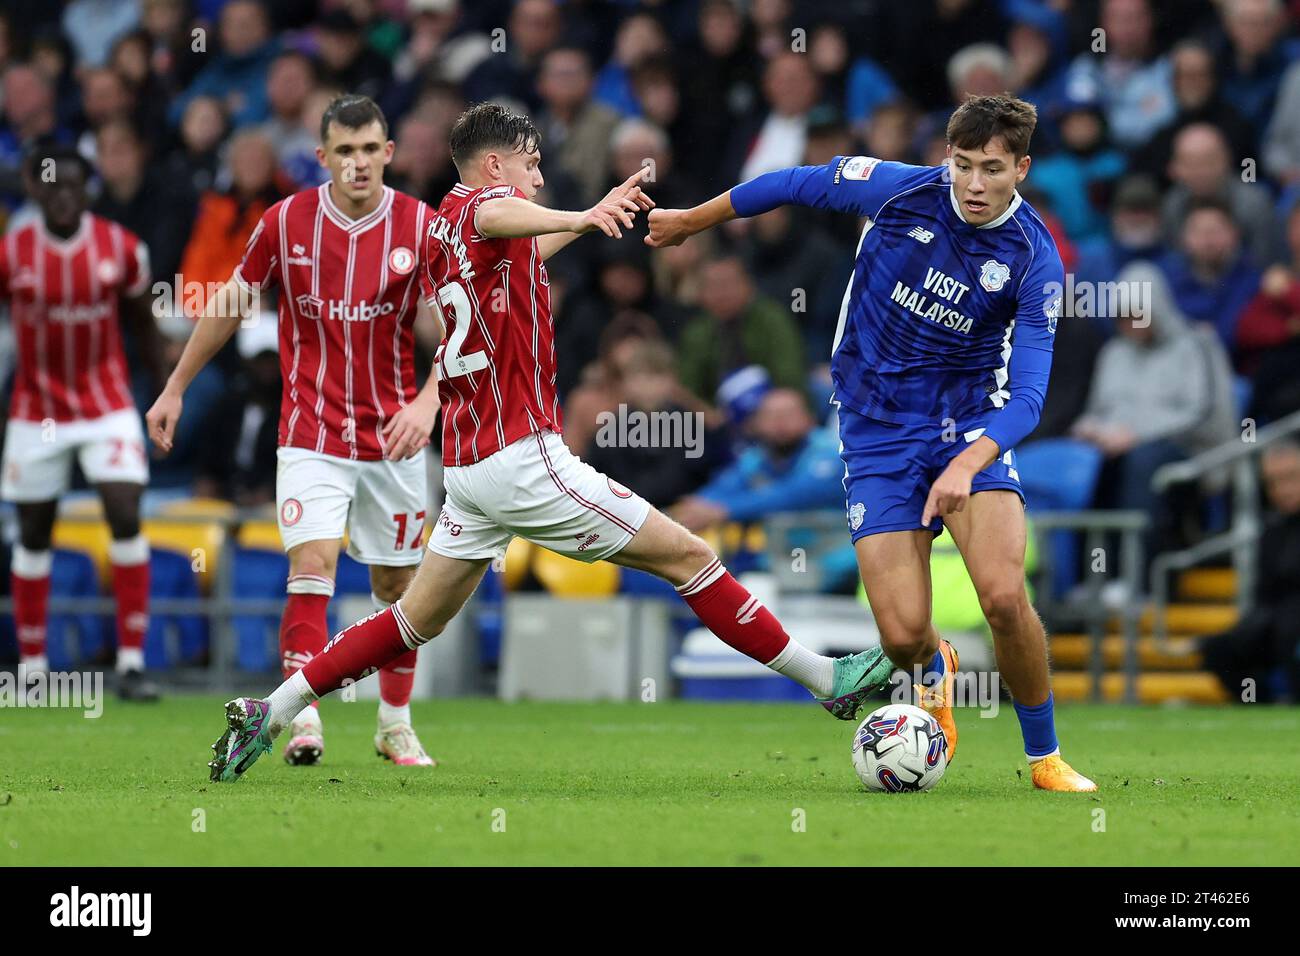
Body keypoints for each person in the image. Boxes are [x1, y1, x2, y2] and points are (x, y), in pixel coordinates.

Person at [203, 103, 893, 783]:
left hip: (470, 469)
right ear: (495, 165)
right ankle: (825, 678)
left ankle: (268, 710)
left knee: (411, 620)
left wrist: (585, 218)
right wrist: (582, 215)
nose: (538, 178)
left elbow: (514, 239)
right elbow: (500, 213)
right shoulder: (482, 208)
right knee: (689, 555)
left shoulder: (444, 228)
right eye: (531, 166)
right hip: (522, 461)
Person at [647, 94, 1097, 792]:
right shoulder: (900, 192)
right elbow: (794, 181)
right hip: (875, 433)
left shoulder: (1035, 258)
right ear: (946, 159)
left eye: (994, 170)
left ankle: (1045, 759)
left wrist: (968, 463)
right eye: (965, 166)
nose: (975, 185)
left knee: (1006, 599)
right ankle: (935, 669)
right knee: (901, 637)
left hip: (967, 429)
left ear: (1022, 169)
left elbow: (1031, 398)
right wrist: (690, 221)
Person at [147, 95, 441, 769]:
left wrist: (427, 402)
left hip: (393, 437)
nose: (359, 163)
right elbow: (230, 301)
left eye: (370, 149)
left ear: (389, 153)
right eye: (345, 151)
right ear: (323, 158)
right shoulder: (286, 222)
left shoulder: (422, 228)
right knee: (311, 569)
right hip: (310, 432)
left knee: (398, 590)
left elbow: (458, 331)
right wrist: (176, 387)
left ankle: (393, 722)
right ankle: (302, 713)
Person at [1, 143, 163, 700]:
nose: (64, 196)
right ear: (35, 188)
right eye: (54, 187)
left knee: (124, 508)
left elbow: (145, 326)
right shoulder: (12, 252)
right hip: (34, 409)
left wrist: (166, 394)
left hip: (105, 405)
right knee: (33, 530)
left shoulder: (120, 249)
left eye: (75, 186)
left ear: (87, 189)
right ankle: (32, 670)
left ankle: (132, 663)